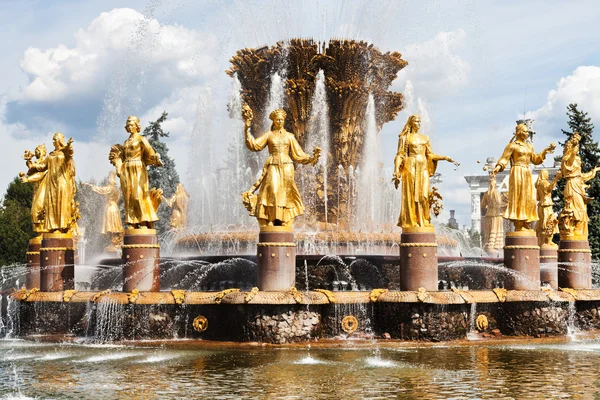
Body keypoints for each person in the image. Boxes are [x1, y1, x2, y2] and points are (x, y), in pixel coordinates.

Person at [241, 106, 320, 227]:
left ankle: (284, 219)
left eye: (281, 120)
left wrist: (311, 158)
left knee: (285, 192)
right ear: (273, 121)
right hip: (273, 164)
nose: (279, 122)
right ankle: (271, 218)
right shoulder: (269, 135)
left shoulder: (290, 136)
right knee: (273, 190)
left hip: (287, 166)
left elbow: (298, 154)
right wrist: (247, 127)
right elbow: (254, 145)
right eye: (277, 120)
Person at [392, 114, 458, 229]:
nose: (418, 124)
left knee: (424, 195)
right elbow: (400, 155)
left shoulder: (425, 138)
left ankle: (424, 220)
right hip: (410, 166)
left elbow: (430, 154)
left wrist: (444, 157)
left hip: (423, 167)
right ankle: (413, 221)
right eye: (416, 121)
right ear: (411, 123)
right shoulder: (404, 138)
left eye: (419, 122)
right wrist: (396, 170)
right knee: (412, 195)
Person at [491, 123, 555, 231]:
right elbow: (504, 159)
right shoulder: (512, 145)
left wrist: (546, 150)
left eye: (527, 132)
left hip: (527, 172)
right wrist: (498, 167)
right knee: (519, 196)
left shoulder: (529, 146)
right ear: (519, 132)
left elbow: (535, 159)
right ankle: (518, 223)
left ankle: (526, 221)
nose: (527, 134)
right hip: (517, 172)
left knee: (528, 197)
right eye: (525, 131)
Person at [109, 116, 163, 229]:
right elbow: (122, 156)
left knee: (138, 195)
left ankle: (144, 221)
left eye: (131, 125)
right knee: (129, 197)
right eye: (128, 125)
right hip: (126, 169)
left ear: (137, 126)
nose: (129, 127)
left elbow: (151, 152)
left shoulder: (141, 139)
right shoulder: (126, 142)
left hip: (138, 168)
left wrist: (156, 158)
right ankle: (132, 222)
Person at [33, 133, 77, 233]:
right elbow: (42, 166)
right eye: (52, 140)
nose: (53, 142)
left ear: (60, 140)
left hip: (62, 182)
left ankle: (62, 226)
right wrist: (30, 164)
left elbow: (70, 153)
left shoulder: (64, 153)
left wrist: (68, 146)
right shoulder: (51, 154)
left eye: (55, 139)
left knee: (61, 203)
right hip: (51, 184)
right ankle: (53, 227)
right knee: (52, 204)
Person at [559, 132, 600, 237]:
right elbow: (570, 161)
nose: (576, 148)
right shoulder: (566, 159)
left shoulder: (576, 158)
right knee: (573, 209)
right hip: (571, 185)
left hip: (578, 183)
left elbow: (581, 175)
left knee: (581, 209)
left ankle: (579, 231)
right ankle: (574, 230)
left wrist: (593, 172)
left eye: (576, 146)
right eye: (573, 146)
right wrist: (573, 148)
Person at [84, 171, 124, 251]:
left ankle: (114, 242)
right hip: (115, 208)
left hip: (109, 208)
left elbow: (101, 190)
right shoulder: (117, 189)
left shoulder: (110, 187)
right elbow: (118, 199)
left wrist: (90, 186)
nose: (108, 179)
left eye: (109, 178)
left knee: (111, 227)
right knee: (115, 226)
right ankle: (114, 242)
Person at [20, 144, 48, 235]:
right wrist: (29, 160)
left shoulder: (45, 162)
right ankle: (40, 233)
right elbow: (32, 169)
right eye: (36, 152)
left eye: (38, 151)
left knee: (38, 209)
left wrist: (27, 179)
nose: (36, 153)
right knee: (35, 210)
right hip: (38, 187)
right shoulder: (39, 162)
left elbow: (40, 174)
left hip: (44, 188)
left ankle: (42, 232)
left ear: (42, 152)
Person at [535, 169, 560, 246]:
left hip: (541, 205)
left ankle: (541, 242)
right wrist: (557, 178)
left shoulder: (538, 185)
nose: (548, 175)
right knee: (549, 222)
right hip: (546, 205)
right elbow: (550, 188)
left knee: (542, 224)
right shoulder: (544, 183)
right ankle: (547, 242)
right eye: (547, 174)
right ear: (543, 175)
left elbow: (538, 198)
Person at [481, 175, 505, 251]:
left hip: (488, 214)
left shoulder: (486, 194)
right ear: (495, 185)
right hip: (497, 214)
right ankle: (494, 246)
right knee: (495, 230)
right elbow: (499, 203)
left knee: (489, 231)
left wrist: (488, 208)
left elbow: (482, 205)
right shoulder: (496, 193)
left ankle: (488, 246)